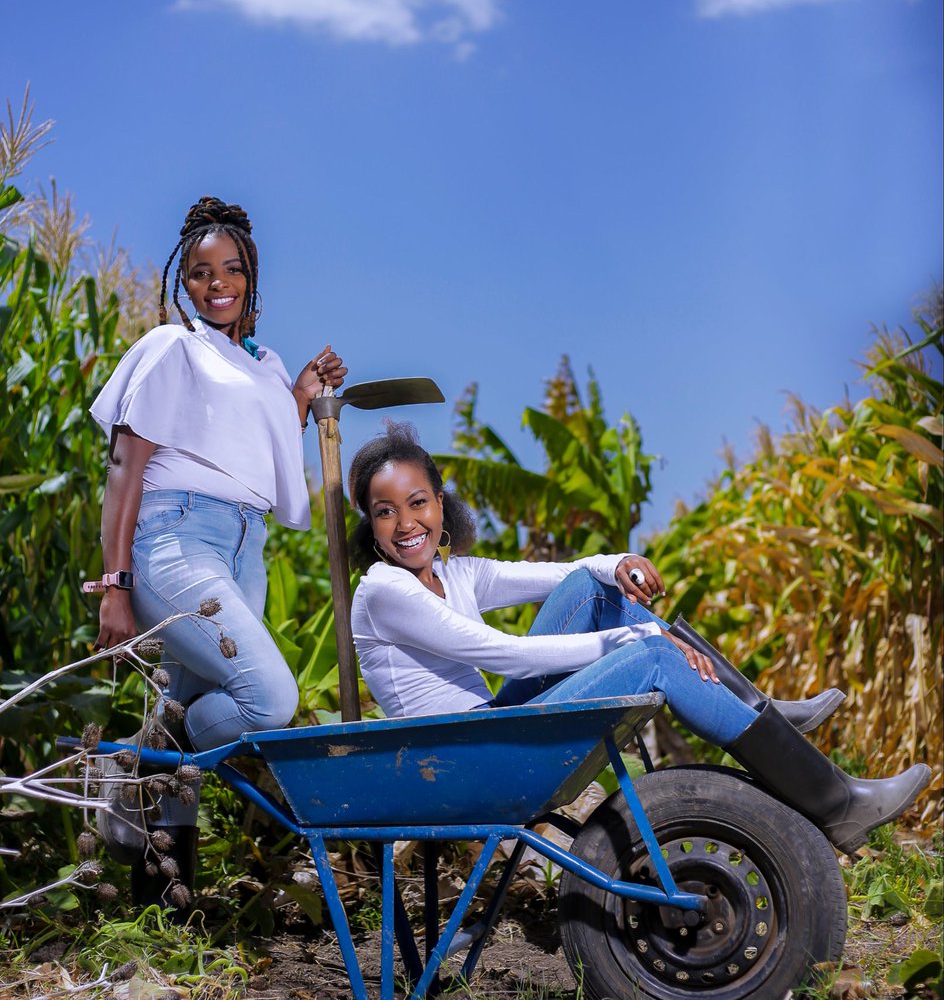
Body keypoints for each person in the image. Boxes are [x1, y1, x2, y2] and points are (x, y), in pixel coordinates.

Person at [348, 423, 930, 857]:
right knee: (649, 650)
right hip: (460, 761)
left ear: (440, 504)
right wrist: (632, 640)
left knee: (589, 586)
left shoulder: (456, 574)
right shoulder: (384, 590)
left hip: (492, 733)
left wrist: (617, 561)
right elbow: (505, 653)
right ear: (369, 526)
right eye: (385, 512)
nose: (405, 524)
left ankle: (760, 713)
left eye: (417, 502)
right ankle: (836, 802)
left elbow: (567, 576)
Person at [89, 196, 346, 903]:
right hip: (176, 538)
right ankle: (148, 758)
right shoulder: (173, 347)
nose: (218, 283)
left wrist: (298, 398)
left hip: (245, 547)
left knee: (193, 713)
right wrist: (115, 583)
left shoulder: (264, 364)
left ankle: (159, 909)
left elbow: (256, 456)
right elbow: (125, 464)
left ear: (251, 278)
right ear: (185, 282)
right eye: (202, 272)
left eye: (232, 269)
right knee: (268, 699)